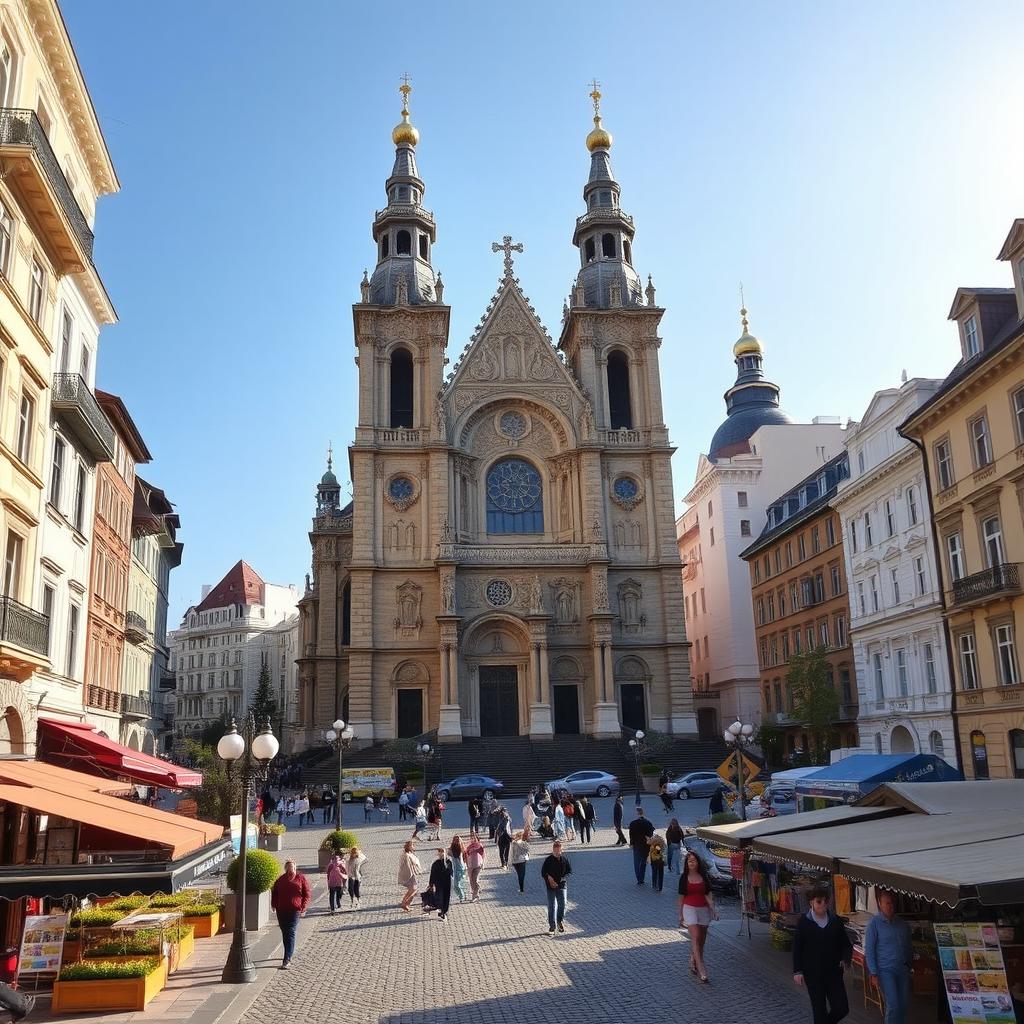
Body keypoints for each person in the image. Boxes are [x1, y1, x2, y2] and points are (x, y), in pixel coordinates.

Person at [793, 886, 853, 1024]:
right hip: (813, 975)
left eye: (825, 901)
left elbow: (846, 944)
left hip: (834, 973)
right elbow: (797, 947)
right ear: (811, 903)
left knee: (842, 1008)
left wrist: (845, 958)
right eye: (819, 901)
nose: (823, 904)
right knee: (819, 1011)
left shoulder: (835, 921)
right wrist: (797, 971)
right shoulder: (804, 922)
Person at [865, 889, 913, 1024]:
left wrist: (909, 966)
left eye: (892, 903)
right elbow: (869, 949)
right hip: (885, 970)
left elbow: (908, 946)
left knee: (903, 1006)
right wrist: (873, 973)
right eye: (887, 903)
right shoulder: (874, 924)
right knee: (893, 1005)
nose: (890, 906)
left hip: (902, 969)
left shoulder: (902, 924)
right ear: (880, 904)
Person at [678, 849, 718, 983]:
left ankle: (693, 958)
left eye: (694, 861)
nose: (691, 863)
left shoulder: (703, 877)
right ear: (687, 863)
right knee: (695, 936)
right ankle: (702, 968)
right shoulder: (684, 878)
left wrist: (713, 909)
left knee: (701, 939)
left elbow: (708, 894)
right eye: (689, 861)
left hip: (703, 910)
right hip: (689, 909)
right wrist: (680, 915)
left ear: (698, 863)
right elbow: (681, 898)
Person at [270, 859, 311, 969]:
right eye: (288, 867)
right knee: (285, 933)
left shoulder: (301, 878)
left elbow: (307, 894)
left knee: (291, 932)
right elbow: (275, 893)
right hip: (281, 909)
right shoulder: (280, 880)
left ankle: (287, 958)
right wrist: (273, 904)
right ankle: (288, 952)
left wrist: (303, 907)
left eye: (292, 867)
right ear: (285, 868)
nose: (290, 869)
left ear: (295, 868)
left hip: (295, 909)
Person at [541, 840, 572, 934]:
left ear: (561, 850)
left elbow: (569, 871)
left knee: (562, 904)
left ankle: (559, 921)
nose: (557, 853)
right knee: (552, 906)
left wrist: (564, 878)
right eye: (555, 851)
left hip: (562, 885)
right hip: (550, 886)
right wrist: (549, 878)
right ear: (553, 850)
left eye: (559, 851)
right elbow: (543, 872)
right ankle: (552, 926)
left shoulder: (564, 860)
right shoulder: (548, 860)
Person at [628, 807, 654, 885]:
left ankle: (638, 878)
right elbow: (650, 834)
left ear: (636, 813)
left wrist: (631, 844)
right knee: (643, 863)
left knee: (636, 862)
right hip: (645, 846)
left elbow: (631, 835)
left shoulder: (633, 823)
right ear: (643, 813)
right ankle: (641, 879)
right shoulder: (648, 822)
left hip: (636, 845)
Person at [427, 847, 454, 921]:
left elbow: (451, 872)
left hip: (447, 882)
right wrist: (431, 884)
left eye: (442, 852)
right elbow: (432, 874)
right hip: (439, 883)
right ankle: (441, 910)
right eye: (440, 852)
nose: (441, 854)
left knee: (446, 897)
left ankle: (445, 911)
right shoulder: (436, 863)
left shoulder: (448, 862)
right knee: (440, 897)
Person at [398, 839, 421, 912]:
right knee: (413, 889)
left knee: (414, 889)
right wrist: (413, 873)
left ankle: (406, 903)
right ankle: (404, 903)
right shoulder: (406, 855)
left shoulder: (409, 853)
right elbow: (407, 866)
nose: (413, 847)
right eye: (412, 845)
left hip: (413, 873)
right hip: (410, 874)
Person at [465, 834, 485, 901]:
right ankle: (477, 889)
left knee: (475, 880)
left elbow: (483, 855)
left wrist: (482, 863)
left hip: (478, 865)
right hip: (470, 865)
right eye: (472, 838)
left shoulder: (479, 846)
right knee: (471, 881)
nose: (473, 839)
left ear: (477, 839)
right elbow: (466, 855)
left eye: (474, 838)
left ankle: (475, 895)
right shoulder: (469, 847)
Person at [449, 835, 468, 902]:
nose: (456, 841)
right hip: (455, 869)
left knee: (457, 884)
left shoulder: (461, 849)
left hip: (460, 868)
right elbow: (449, 853)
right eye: (455, 840)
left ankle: (462, 897)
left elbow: (465, 856)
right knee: (456, 885)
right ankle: (463, 895)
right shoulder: (452, 849)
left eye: (457, 840)